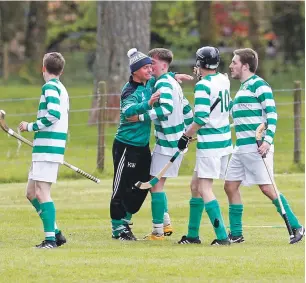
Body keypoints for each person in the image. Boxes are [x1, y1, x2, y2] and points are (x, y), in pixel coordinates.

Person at [111, 48, 193, 241]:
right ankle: (118, 227)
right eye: (146, 67)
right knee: (121, 187)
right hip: (125, 145)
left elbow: (164, 78)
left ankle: (145, 223)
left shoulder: (151, 83)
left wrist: (172, 75)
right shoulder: (129, 90)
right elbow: (127, 112)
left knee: (145, 185)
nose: (149, 70)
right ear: (135, 70)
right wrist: (147, 104)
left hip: (143, 146)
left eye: (151, 66)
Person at [224, 47, 304, 244]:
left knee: (268, 188)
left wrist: (267, 141)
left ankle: (296, 226)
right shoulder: (243, 88)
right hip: (240, 148)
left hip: (257, 147)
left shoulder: (260, 85)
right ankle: (236, 234)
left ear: (245, 65)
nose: (230, 66)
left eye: (234, 62)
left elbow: (272, 115)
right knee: (230, 186)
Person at [177, 46, 232, 246]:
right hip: (224, 141)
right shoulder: (224, 79)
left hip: (210, 143)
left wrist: (185, 135)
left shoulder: (202, 86)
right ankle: (192, 235)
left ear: (200, 64)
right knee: (194, 186)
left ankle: (222, 237)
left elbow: (200, 117)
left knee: (204, 188)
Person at [19, 52, 69, 249]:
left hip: (48, 147)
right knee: (31, 192)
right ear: (61, 71)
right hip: (45, 148)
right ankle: (56, 233)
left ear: (43, 68)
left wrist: (30, 126)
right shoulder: (60, 87)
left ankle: (50, 240)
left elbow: (54, 115)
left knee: (42, 193)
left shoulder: (49, 87)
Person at [143, 48, 193, 240]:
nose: (149, 67)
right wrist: (190, 130)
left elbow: (166, 109)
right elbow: (187, 109)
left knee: (155, 185)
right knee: (155, 183)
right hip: (173, 142)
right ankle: (165, 223)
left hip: (168, 144)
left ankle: (158, 231)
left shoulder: (164, 83)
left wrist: (140, 116)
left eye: (152, 63)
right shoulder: (171, 81)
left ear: (163, 65)